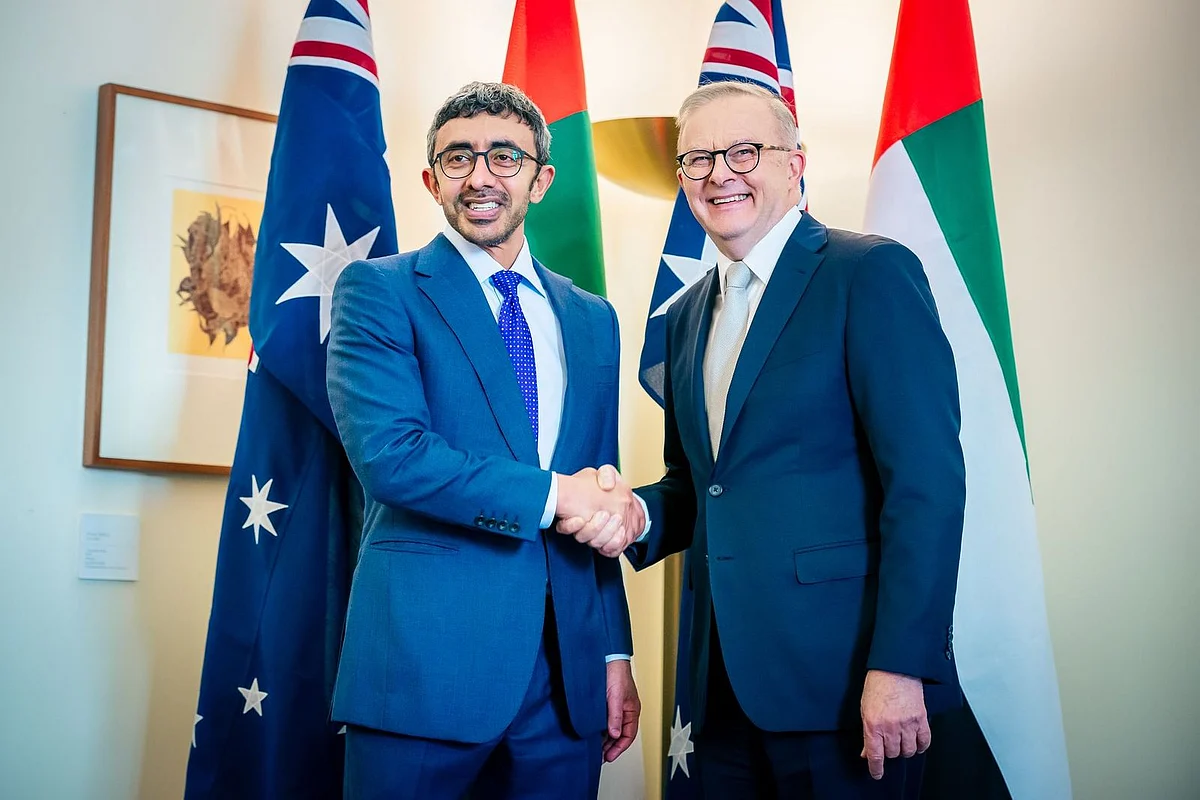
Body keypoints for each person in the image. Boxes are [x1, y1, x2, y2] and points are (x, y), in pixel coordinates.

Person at [562, 80, 967, 797]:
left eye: (744, 152)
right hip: (713, 685)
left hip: (845, 682)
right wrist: (633, 514)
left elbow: (926, 485)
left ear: (795, 163)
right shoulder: (686, 315)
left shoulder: (867, 272)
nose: (720, 173)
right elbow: (700, 484)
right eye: (698, 159)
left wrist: (902, 664)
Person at [326, 81, 643, 800]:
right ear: (432, 180)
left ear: (541, 179)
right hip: (423, 668)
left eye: (504, 157)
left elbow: (599, 490)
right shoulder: (378, 290)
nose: (480, 176)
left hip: (564, 682)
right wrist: (558, 496)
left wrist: (612, 652)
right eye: (458, 158)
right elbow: (392, 457)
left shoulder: (593, 318)